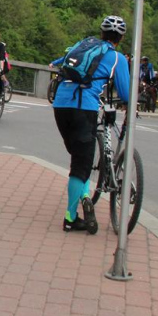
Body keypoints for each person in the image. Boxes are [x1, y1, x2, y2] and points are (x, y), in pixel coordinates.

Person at [50, 16, 131, 233]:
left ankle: (85, 194)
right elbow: (124, 92)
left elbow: (62, 61)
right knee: (80, 166)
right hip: (83, 108)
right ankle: (70, 218)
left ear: (101, 33)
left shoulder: (82, 45)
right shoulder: (116, 57)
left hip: (60, 104)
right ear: (120, 38)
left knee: (79, 160)